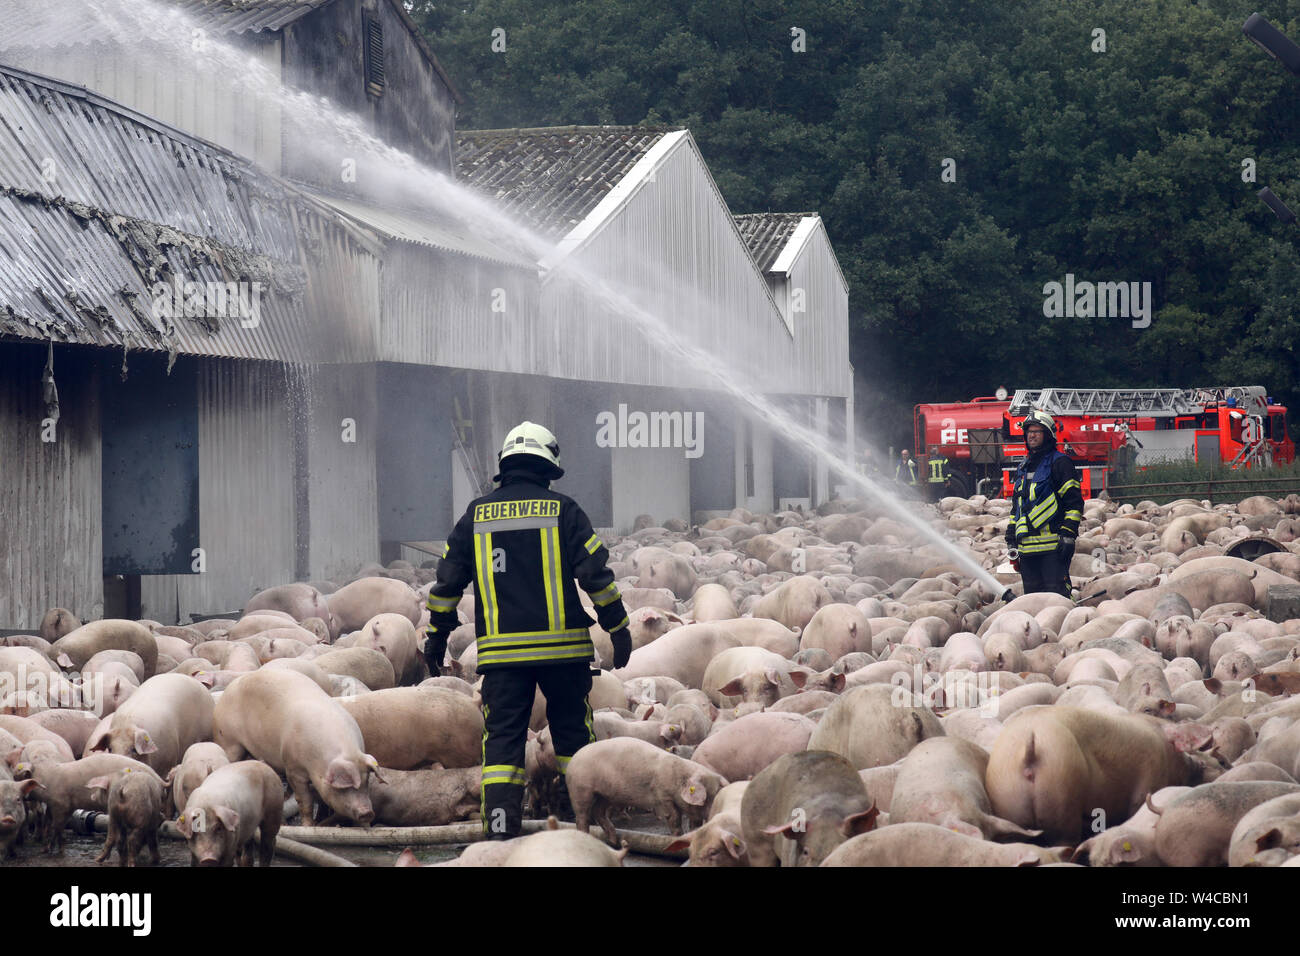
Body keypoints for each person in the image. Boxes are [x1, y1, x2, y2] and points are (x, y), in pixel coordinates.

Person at [423, 422, 631, 839]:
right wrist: (618, 628)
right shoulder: (564, 511)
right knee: (572, 736)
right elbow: (597, 577)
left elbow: (446, 585)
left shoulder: (476, 517)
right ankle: (579, 827)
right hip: (564, 654)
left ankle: (500, 833)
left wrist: (436, 637)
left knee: (502, 744)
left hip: (503, 657)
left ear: (506, 466)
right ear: (547, 468)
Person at [1004, 410, 1083, 596]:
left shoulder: (1061, 463)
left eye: (1037, 431)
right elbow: (1017, 507)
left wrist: (1068, 534)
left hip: (1053, 549)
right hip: (1026, 551)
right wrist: (1010, 539)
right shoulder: (1023, 467)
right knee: (1033, 601)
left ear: (1047, 435)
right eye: (1029, 431)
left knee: (1057, 598)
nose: (1031, 435)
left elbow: (1074, 503)